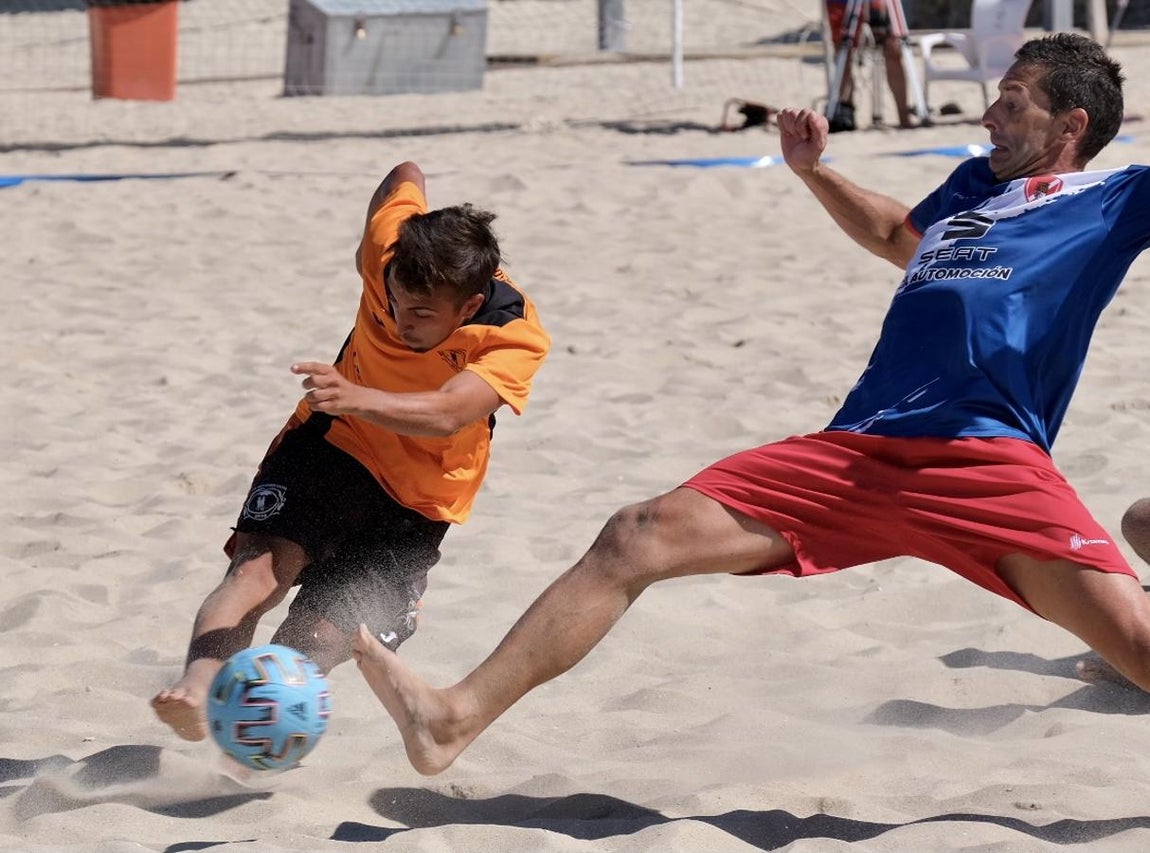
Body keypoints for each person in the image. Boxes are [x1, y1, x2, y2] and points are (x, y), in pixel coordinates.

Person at [352, 33, 1150, 776]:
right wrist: (813, 171)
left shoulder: (1114, 202)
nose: (988, 116)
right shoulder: (975, 190)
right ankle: (452, 718)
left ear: (1070, 125)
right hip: (858, 454)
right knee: (637, 533)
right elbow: (894, 235)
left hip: (986, 461)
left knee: (1140, 652)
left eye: (1012, 101)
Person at [151, 161, 550, 741]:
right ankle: (197, 686)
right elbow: (404, 174)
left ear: (466, 307)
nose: (402, 321)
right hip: (336, 440)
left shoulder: (512, 332)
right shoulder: (390, 249)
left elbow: (450, 412)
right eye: (396, 302)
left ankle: (257, 728)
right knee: (258, 569)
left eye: (422, 314)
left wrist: (358, 396)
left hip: (422, 495)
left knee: (321, 634)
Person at [825, 0, 916, 131]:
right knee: (844, 51)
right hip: (843, 3)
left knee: (893, 46)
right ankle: (845, 115)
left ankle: (904, 118)